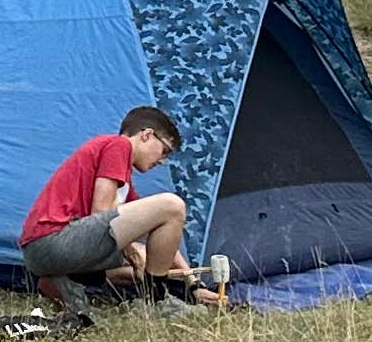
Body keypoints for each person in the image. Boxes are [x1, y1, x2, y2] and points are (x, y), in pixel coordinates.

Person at [20, 106, 230, 308]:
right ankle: (156, 300)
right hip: (52, 242)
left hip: (43, 252)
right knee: (173, 205)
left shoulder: (123, 181)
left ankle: (63, 281)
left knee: (151, 254)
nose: (162, 161)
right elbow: (101, 212)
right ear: (146, 134)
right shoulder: (119, 146)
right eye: (164, 151)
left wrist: (193, 285)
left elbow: (160, 233)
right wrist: (131, 251)